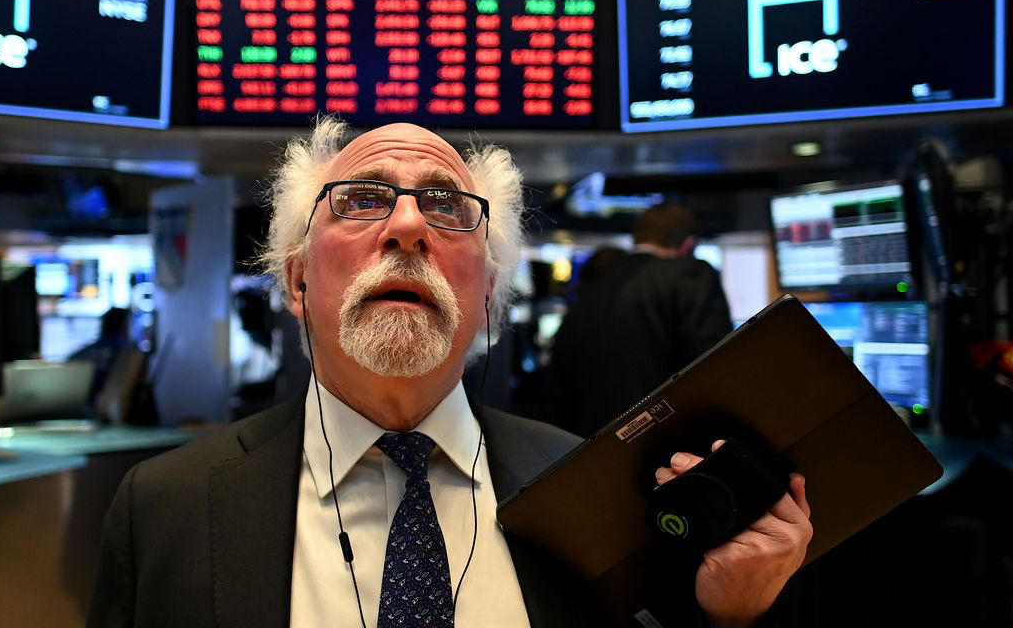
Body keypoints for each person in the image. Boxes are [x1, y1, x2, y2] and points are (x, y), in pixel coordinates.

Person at [87, 120, 810, 628]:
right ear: (298, 281)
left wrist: (734, 616)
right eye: (362, 199)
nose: (408, 227)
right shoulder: (164, 508)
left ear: (488, 293)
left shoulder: (593, 488)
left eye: (446, 206)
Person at [552, 202, 734, 438]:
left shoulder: (595, 285)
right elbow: (717, 366)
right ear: (689, 245)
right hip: (667, 444)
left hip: (588, 445)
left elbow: (560, 376)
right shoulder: (690, 275)